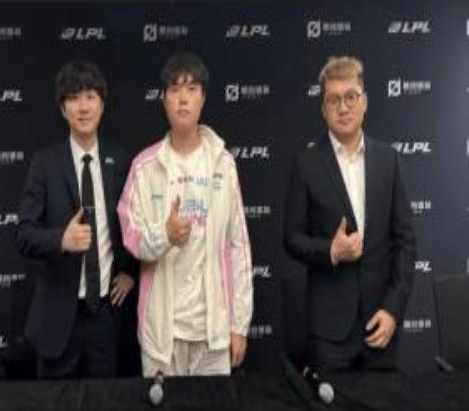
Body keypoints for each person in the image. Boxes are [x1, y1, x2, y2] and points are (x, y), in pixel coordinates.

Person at [117, 50, 253, 377]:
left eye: (192, 89)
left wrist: (239, 324)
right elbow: (132, 239)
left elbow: (239, 247)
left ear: (203, 98)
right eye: (175, 89)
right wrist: (164, 235)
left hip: (213, 333)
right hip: (162, 335)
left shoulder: (223, 164)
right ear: (163, 99)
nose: (183, 99)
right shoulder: (144, 167)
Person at [284, 56, 416, 372]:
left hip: (380, 324)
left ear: (364, 102)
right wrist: (331, 250)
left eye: (351, 97)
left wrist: (393, 310)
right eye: (333, 100)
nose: (343, 107)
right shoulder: (306, 164)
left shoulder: (388, 159)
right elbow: (291, 238)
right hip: (328, 333)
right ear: (323, 108)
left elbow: (406, 242)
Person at [15, 60, 137, 379]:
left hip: (105, 319)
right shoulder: (44, 162)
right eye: (73, 98)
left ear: (102, 105)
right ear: (62, 108)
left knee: (105, 401)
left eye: (90, 96)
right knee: (56, 401)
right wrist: (61, 240)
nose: (83, 107)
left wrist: (130, 271)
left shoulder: (120, 160)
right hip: (58, 321)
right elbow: (23, 234)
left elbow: (135, 226)